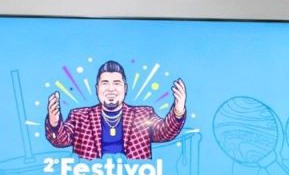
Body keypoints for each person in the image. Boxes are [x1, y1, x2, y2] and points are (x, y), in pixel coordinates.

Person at [46, 59, 186, 159]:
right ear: (97, 89)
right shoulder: (78, 117)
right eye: (105, 83)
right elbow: (60, 141)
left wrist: (178, 112)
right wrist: (54, 123)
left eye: (117, 83)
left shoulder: (144, 114)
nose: (111, 89)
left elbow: (164, 132)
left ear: (125, 88)